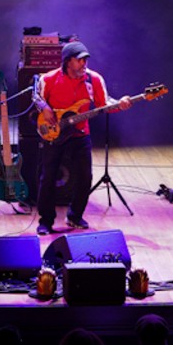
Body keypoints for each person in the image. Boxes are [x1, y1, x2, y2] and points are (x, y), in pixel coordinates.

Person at [32, 40, 131, 235]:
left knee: (85, 176)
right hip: (54, 130)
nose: (84, 64)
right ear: (68, 62)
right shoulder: (49, 79)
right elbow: (36, 97)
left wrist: (120, 104)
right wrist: (45, 109)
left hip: (80, 132)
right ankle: (46, 220)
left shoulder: (93, 80)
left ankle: (75, 216)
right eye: (80, 60)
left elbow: (105, 104)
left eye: (86, 60)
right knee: (48, 176)